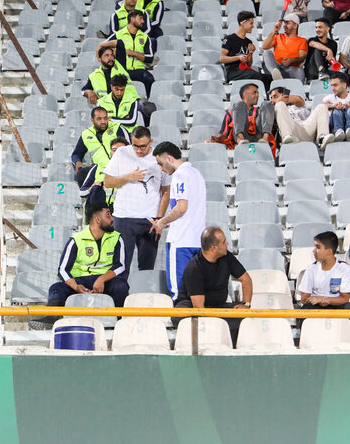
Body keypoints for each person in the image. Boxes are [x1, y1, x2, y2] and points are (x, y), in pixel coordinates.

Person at [102, 126, 169, 277]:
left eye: (143, 146)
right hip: (124, 218)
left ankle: (144, 299)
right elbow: (107, 182)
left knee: (147, 269)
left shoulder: (159, 158)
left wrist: (159, 219)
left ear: (150, 142)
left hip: (150, 220)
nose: (138, 150)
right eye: (135, 146)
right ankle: (121, 299)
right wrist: (127, 177)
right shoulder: (121, 152)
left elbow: (166, 191)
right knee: (120, 268)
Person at [174, 227, 253, 342]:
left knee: (245, 315)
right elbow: (199, 308)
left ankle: (233, 348)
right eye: (223, 242)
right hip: (192, 308)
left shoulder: (227, 257)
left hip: (217, 306)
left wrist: (246, 304)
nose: (227, 243)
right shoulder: (194, 268)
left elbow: (246, 280)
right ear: (213, 248)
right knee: (192, 318)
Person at [151, 141, 207, 299]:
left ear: (169, 158)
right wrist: (170, 219)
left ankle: (181, 322)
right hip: (198, 241)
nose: (161, 169)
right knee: (196, 291)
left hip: (181, 242)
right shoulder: (197, 174)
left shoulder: (179, 175)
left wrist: (161, 222)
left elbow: (181, 208)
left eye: (160, 164)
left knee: (179, 292)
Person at [46, 201, 129, 308]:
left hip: (106, 280)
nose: (112, 219)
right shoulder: (76, 240)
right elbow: (62, 270)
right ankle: (52, 319)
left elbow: (120, 265)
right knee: (56, 288)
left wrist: (101, 279)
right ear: (97, 220)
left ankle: (120, 321)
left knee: (120, 285)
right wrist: (76, 286)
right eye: (108, 215)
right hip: (80, 280)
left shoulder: (117, 238)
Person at [299, 231, 350, 341]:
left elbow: (345, 298)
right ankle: (306, 343)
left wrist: (326, 299)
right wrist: (315, 300)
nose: (314, 250)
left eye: (318, 247)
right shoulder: (311, 269)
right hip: (317, 307)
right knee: (304, 310)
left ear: (329, 251)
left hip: (337, 306)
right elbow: (303, 299)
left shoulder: (344, 268)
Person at [71, 107, 130, 189]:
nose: (103, 122)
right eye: (99, 119)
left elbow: (130, 149)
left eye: (105, 118)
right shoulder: (86, 134)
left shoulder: (117, 128)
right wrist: (77, 162)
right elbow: (76, 154)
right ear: (92, 120)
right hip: (100, 171)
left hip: (119, 168)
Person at [100, 9, 154, 97]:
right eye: (140, 18)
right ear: (132, 19)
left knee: (149, 78)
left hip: (138, 70)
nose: (143, 21)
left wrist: (133, 53)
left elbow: (150, 58)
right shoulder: (118, 34)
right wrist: (115, 53)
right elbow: (104, 46)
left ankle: (148, 100)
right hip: (121, 70)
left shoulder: (145, 37)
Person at [220, 11, 271, 85]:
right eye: (251, 23)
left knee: (268, 78)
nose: (253, 26)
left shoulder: (248, 41)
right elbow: (222, 58)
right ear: (243, 23)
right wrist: (238, 57)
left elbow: (249, 64)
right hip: (233, 72)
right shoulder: (229, 39)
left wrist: (251, 53)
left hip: (244, 71)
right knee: (262, 77)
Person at [263, 13, 308, 82]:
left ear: (295, 26)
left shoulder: (302, 41)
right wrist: (274, 31)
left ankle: (279, 79)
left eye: (287, 23)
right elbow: (264, 46)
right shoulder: (278, 36)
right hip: (276, 66)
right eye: (284, 23)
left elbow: (302, 58)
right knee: (267, 53)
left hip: (291, 68)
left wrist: (291, 60)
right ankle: (276, 74)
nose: (284, 25)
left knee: (300, 73)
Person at [323, 72, 350, 142]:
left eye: (335, 85)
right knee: (336, 109)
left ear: (344, 85)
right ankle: (338, 131)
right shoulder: (330, 97)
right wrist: (334, 105)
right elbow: (324, 105)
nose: (332, 88)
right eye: (331, 85)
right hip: (334, 131)